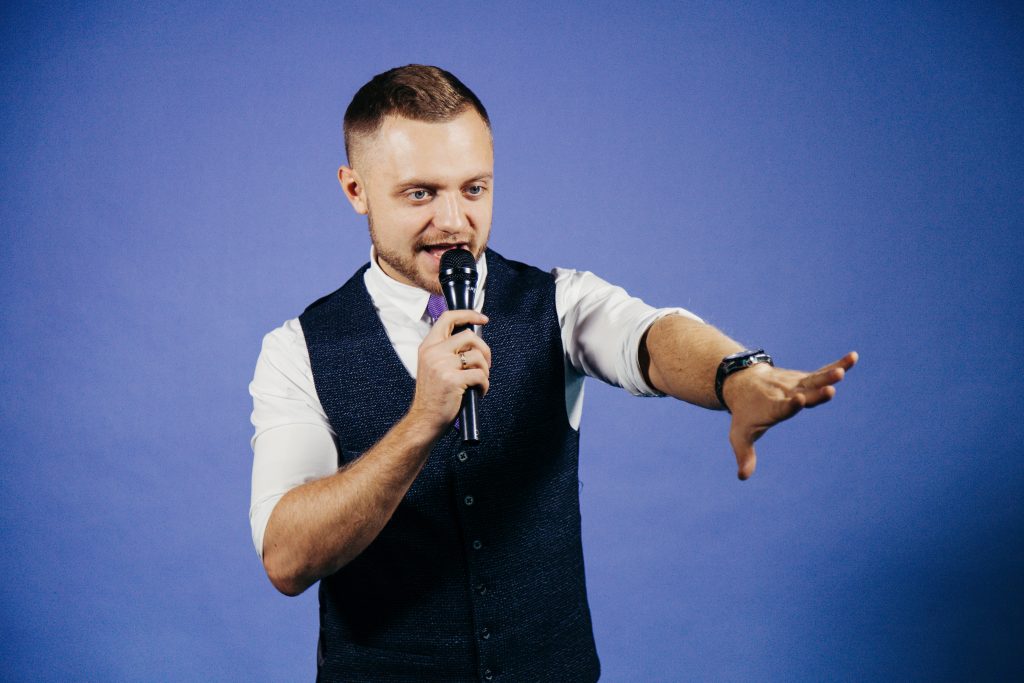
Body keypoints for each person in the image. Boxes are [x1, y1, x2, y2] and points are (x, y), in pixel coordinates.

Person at [249, 64, 857, 682]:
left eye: (475, 188)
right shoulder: (297, 349)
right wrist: (419, 423)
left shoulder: (558, 302)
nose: (456, 221)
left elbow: (650, 335)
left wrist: (736, 376)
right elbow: (287, 559)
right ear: (356, 190)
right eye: (420, 193)